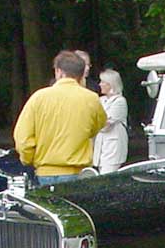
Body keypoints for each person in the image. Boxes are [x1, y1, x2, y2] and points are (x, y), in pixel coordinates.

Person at [13, 50, 106, 186]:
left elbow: (23, 137)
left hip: (45, 171)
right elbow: (96, 127)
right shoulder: (91, 99)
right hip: (77, 171)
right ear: (82, 74)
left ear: (58, 71)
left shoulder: (39, 97)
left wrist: (28, 159)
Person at [93, 68, 128, 174]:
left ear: (111, 84)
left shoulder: (119, 101)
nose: (100, 84)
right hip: (100, 144)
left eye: (103, 82)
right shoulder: (100, 100)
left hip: (113, 146)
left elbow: (105, 125)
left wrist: (95, 123)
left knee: (107, 174)